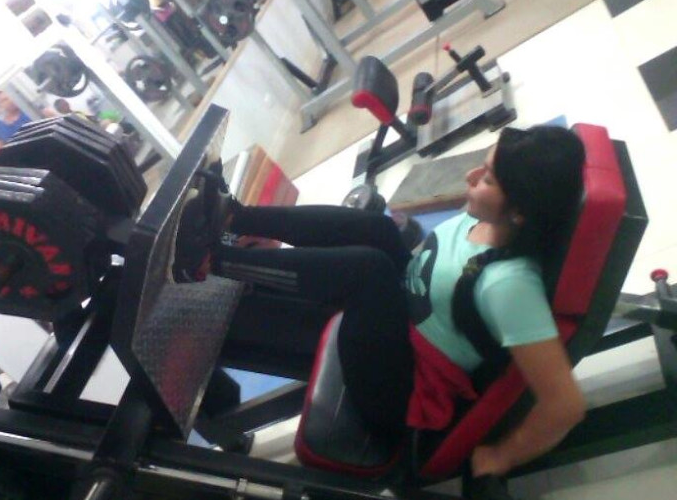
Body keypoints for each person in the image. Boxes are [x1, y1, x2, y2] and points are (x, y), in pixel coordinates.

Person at [172, 125, 587, 480]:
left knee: (368, 271)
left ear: (519, 213)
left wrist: (502, 456)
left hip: (404, 390)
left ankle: (211, 262)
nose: (471, 176)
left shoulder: (508, 286)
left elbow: (565, 406)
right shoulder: (486, 219)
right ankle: (234, 217)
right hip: (407, 320)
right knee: (381, 231)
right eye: (483, 165)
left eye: (488, 179)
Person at [0, 91, 31, 157]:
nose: (10, 101)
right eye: (4, 100)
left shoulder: (30, 111)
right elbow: (0, 154)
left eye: (11, 97)